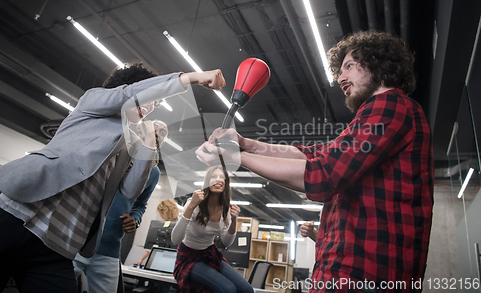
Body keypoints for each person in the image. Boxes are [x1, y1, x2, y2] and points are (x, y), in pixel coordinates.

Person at [196, 31, 434, 292]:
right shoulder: (374, 116)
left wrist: (235, 157)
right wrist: (245, 143)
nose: (340, 78)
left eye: (350, 66)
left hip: (366, 277)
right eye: (340, 70)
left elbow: (323, 175)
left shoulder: (391, 105)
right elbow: (312, 155)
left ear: (378, 63)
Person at [0, 63, 225, 293]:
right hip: (18, 216)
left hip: (58, 244)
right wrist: (191, 78)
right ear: (128, 88)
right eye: (149, 99)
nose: (150, 106)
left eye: (155, 103)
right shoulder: (93, 102)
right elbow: (128, 95)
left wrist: (149, 143)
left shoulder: (133, 142)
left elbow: (130, 191)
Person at [73, 120, 168, 293]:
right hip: (77, 240)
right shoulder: (114, 151)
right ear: (140, 130)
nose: (157, 133)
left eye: (162, 133)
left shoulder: (152, 173)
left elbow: (140, 204)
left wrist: (136, 219)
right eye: (154, 128)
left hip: (109, 247)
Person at [171, 166, 254, 293]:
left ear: (226, 183)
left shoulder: (226, 209)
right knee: (228, 289)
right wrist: (191, 206)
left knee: (247, 289)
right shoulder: (194, 203)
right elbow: (175, 239)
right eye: (213, 177)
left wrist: (234, 220)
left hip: (210, 254)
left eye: (222, 177)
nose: (218, 180)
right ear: (207, 182)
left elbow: (226, 242)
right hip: (189, 257)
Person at [135, 198, 181, 267]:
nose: (161, 216)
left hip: (174, 258)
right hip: (161, 257)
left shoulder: (180, 224)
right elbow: (153, 244)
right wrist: (141, 259)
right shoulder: (160, 226)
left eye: (162, 213)